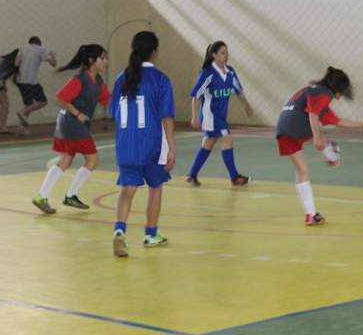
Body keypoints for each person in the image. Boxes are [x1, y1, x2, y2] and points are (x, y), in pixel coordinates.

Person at [275, 66, 363, 225]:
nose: (340, 97)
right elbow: (313, 115)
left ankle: (311, 215)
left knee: (303, 172)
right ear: (338, 90)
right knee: (320, 138)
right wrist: (317, 139)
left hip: (284, 130)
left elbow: (339, 122)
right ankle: (331, 152)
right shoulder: (324, 94)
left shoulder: (315, 93)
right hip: (295, 127)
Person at [109, 31, 176, 257]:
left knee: (127, 189)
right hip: (152, 143)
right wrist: (171, 147)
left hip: (126, 144)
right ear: (155, 52)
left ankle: (119, 231)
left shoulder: (121, 78)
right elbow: (166, 116)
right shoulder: (160, 79)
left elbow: (113, 112)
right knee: (156, 187)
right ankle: (150, 234)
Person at [32, 44, 111, 214]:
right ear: (92, 60)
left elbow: (107, 100)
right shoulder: (79, 79)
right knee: (92, 159)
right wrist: (77, 113)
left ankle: (42, 196)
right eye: (102, 58)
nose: (106, 61)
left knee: (66, 160)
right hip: (72, 123)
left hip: (71, 124)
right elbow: (61, 97)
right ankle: (71, 195)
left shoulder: (98, 81)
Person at [186, 41, 254, 186]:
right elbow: (196, 95)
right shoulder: (207, 73)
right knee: (227, 139)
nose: (226, 55)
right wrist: (195, 116)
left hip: (221, 116)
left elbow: (238, 91)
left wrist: (246, 105)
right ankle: (234, 177)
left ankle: (192, 174)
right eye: (223, 53)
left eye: (227, 52)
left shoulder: (230, 72)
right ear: (214, 55)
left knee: (208, 143)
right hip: (211, 116)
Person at [15, 36, 57, 133]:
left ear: (30, 42)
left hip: (20, 81)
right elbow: (53, 64)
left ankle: (21, 129)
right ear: (39, 43)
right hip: (31, 81)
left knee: (28, 104)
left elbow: (16, 64)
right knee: (43, 101)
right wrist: (53, 56)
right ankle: (22, 112)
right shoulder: (41, 49)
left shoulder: (22, 49)